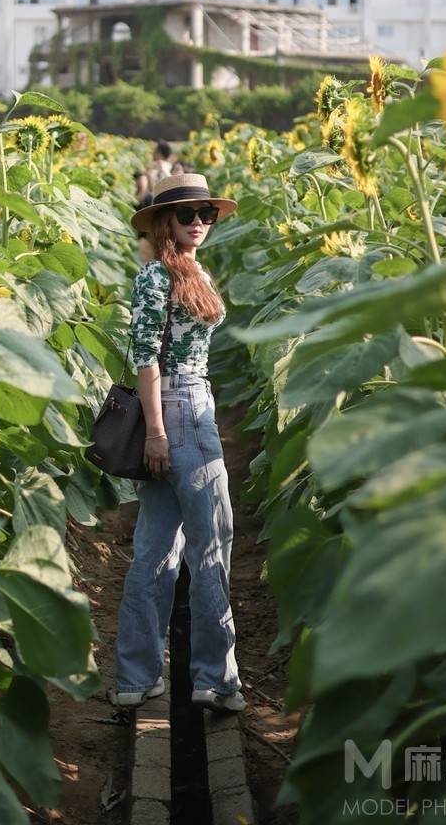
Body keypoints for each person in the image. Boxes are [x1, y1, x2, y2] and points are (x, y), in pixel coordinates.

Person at [109, 173, 246, 714]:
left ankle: (136, 677)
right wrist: (160, 432)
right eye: (187, 215)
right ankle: (214, 678)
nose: (198, 223)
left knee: (157, 548)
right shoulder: (156, 278)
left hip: (182, 407)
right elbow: (146, 357)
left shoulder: (190, 271)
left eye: (205, 215)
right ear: (165, 222)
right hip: (181, 408)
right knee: (212, 542)